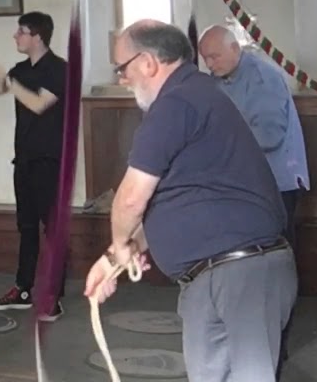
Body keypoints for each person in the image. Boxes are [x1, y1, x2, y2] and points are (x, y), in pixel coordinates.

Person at [87, 20, 296, 382]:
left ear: (149, 62)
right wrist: (113, 258)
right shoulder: (194, 96)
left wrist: (121, 246)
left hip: (239, 271)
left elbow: (131, 199)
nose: (122, 79)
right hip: (212, 274)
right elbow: (175, 201)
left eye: (122, 68)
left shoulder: (177, 103)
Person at [198, 23, 309, 378]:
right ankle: (247, 343)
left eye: (214, 56)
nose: (209, 63)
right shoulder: (217, 80)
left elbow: (270, 133)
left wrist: (219, 144)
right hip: (241, 185)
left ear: (235, 49)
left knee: (271, 269)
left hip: (276, 183)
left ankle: (273, 349)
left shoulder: (263, 77)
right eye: (205, 58)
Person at [0, 11, 68, 320]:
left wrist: (10, 82)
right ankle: (22, 290)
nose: (16, 36)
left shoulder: (59, 69)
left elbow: (39, 103)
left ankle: (52, 297)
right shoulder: (20, 69)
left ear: (37, 36)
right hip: (23, 158)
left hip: (50, 160)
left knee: (52, 230)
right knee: (26, 228)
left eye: (21, 31)